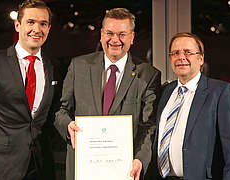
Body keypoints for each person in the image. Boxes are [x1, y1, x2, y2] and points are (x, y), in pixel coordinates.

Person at [54, 8, 161, 180]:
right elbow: (61, 111)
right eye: (110, 33)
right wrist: (67, 125)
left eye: (122, 34)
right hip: (83, 169)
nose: (115, 40)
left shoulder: (148, 75)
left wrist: (140, 160)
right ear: (102, 35)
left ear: (132, 37)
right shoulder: (78, 66)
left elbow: (148, 126)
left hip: (125, 170)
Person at [0, 0, 61, 179]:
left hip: (42, 166)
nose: (37, 29)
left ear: (49, 28)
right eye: (31, 22)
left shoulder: (52, 66)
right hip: (1, 167)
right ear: (18, 25)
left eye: (43, 24)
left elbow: (52, 115)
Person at [147, 32, 230, 180]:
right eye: (175, 53)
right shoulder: (165, 92)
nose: (181, 57)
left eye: (188, 52)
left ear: (201, 59)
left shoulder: (220, 92)